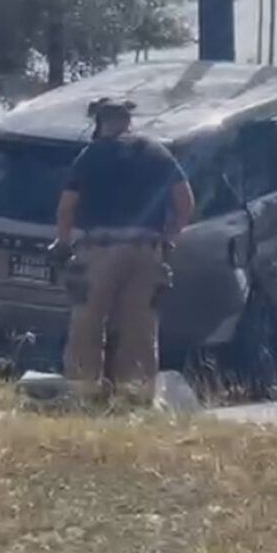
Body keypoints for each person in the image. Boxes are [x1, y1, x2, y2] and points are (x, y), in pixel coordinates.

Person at [50, 98, 195, 403]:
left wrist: (63, 245)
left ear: (100, 122)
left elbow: (66, 209)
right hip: (147, 250)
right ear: (128, 121)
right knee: (139, 329)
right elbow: (185, 202)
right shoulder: (157, 153)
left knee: (87, 325)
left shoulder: (91, 155)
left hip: (100, 251)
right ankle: (135, 398)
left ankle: (84, 395)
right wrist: (169, 237)